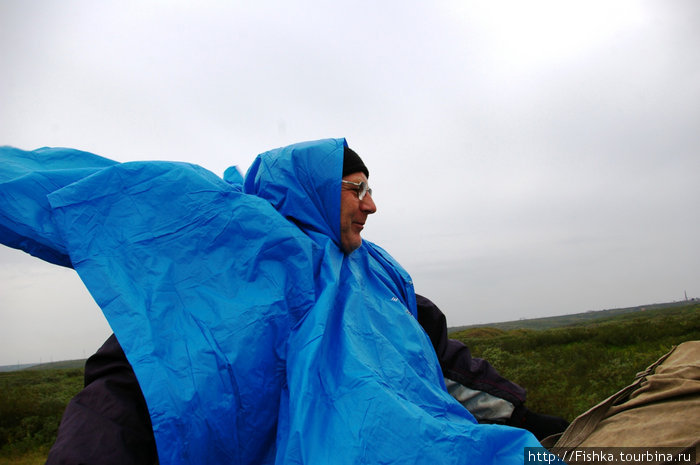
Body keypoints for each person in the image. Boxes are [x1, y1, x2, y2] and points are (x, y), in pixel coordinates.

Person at [2, 139, 548, 464]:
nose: (372, 205)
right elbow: (137, 385)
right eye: (355, 188)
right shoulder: (223, 278)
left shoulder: (376, 280)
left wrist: (535, 422)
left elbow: (437, 362)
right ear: (310, 190)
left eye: (370, 189)